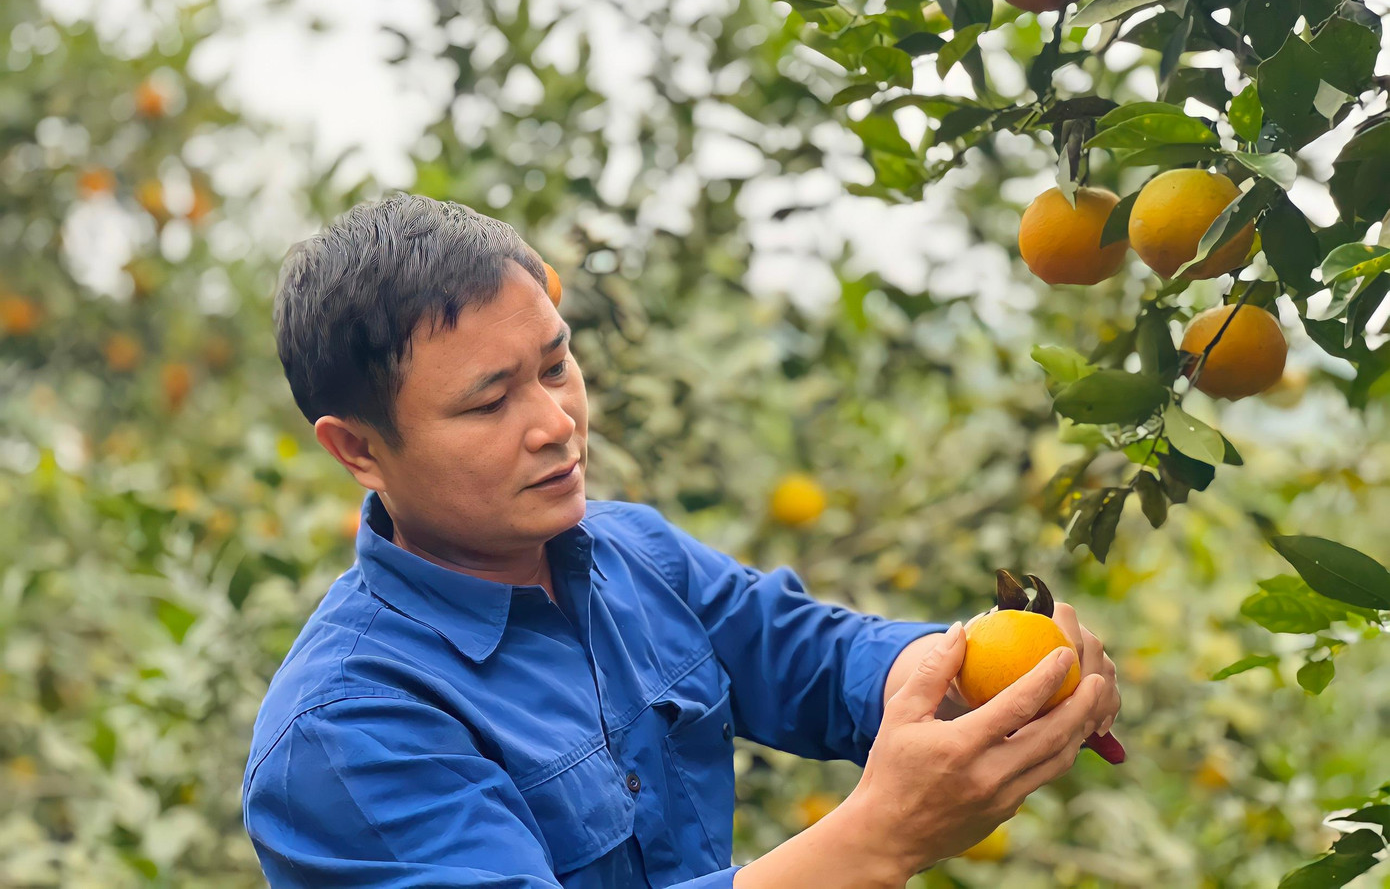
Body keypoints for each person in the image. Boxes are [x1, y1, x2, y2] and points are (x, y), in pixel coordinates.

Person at [244, 194, 1121, 888]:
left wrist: (973, 670)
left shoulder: (631, 553)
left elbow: (807, 653)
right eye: (489, 401)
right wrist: (879, 836)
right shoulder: (346, 732)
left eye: (555, 365)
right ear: (358, 449)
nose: (557, 422)